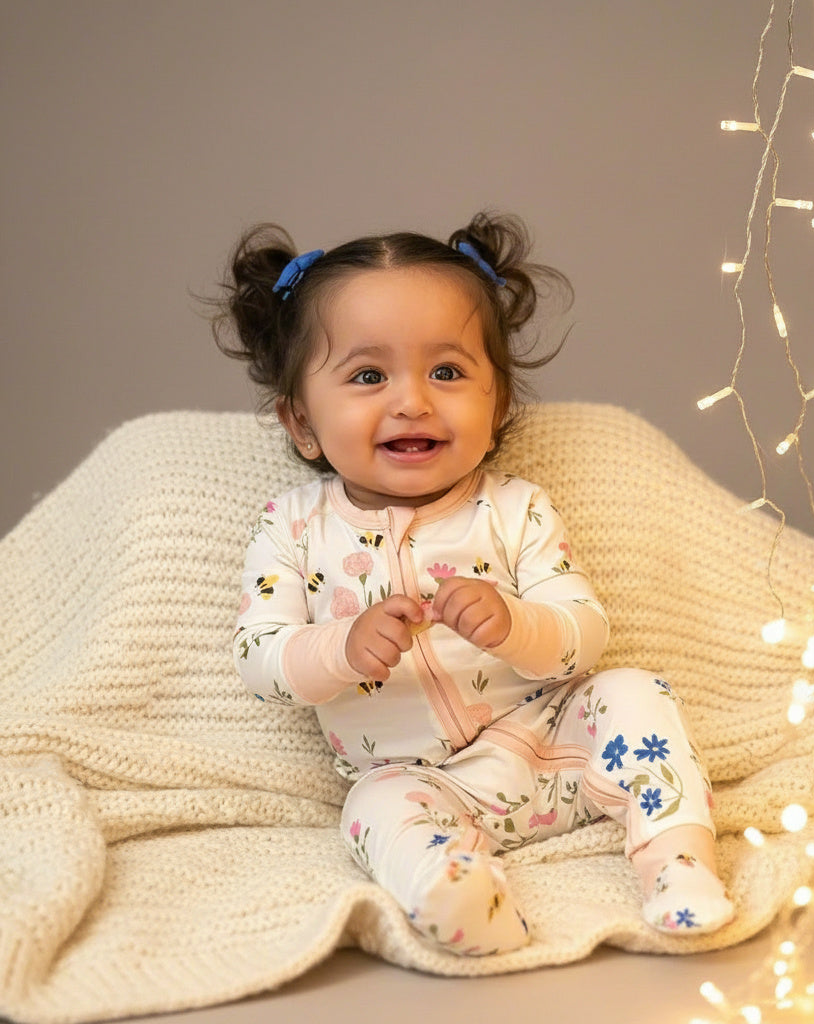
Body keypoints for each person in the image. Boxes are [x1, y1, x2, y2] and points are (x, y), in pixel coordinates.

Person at [213, 212, 735, 955]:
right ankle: (458, 894)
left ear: (496, 409)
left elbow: (582, 629)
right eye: (368, 375)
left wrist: (517, 623)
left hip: (553, 751)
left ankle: (678, 866)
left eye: (448, 372)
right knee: (374, 809)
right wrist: (342, 646)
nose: (413, 401)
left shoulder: (512, 510)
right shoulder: (292, 527)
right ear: (300, 422)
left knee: (630, 691)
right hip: (414, 777)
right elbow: (261, 661)